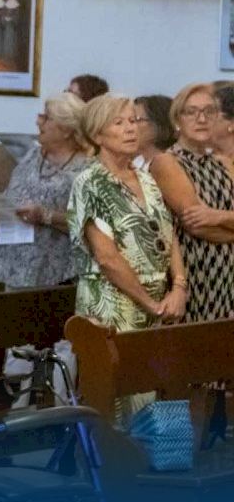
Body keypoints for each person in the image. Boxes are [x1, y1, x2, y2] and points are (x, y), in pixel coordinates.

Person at [68, 93, 185, 424]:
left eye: (133, 121)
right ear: (97, 134)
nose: (130, 129)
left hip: (157, 302)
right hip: (112, 303)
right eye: (118, 123)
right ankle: (112, 454)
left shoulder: (146, 176)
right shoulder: (90, 182)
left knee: (149, 393)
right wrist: (151, 304)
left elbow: (167, 233)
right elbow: (107, 258)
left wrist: (179, 286)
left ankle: (145, 451)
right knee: (114, 398)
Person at [0, 93, 92, 289]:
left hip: (58, 273)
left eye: (47, 118)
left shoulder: (86, 169)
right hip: (15, 266)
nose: (38, 121)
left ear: (67, 130)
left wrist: (45, 216)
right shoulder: (33, 156)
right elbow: (13, 194)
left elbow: (90, 224)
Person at [149, 83, 234, 322]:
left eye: (209, 111)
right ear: (177, 120)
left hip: (228, 274)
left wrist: (218, 216)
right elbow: (197, 226)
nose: (202, 119)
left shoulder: (223, 162)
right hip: (196, 271)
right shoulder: (167, 161)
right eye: (192, 112)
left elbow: (210, 221)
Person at [132, 94, 174, 170]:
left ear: (159, 123)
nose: (129, 127)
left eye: (137, 119)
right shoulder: (136, 162)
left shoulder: (173, 165)